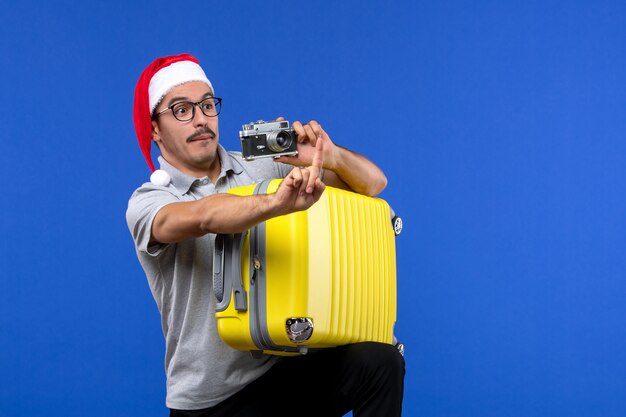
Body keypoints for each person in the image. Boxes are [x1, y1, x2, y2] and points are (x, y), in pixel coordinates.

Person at [126, 53, 405, 417]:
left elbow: (373, 184)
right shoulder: (150, 201)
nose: (200, 119)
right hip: (212, 401)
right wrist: (274, 202)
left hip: (281, 371)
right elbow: (205, 216)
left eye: (207, 105)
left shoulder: (262, 163)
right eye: (181, 110)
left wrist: (330, 155)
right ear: (155, 129)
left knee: (378, 361)